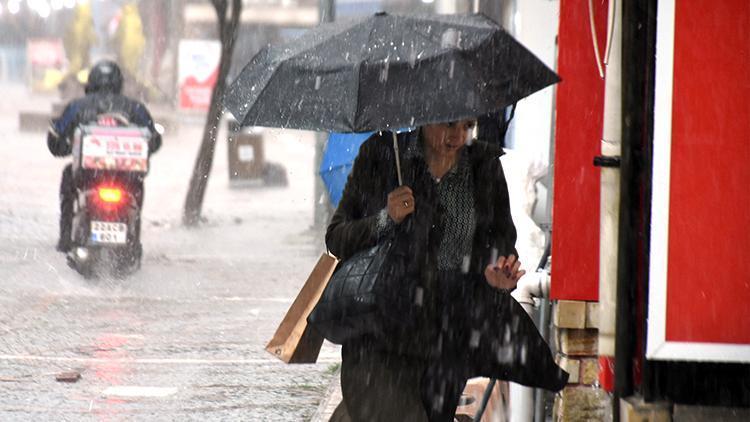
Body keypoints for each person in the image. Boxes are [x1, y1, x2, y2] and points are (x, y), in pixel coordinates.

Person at [326, 120, 566, 421]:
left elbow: (500, 241)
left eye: (468, 125)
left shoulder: (482, 166)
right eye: (449, 124)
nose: (458, 135)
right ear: (426, 116)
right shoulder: (383, 154)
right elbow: (337, 238)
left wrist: (495, 272)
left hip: (447, 335)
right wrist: (386, 218)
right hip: (382, 331)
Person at [47, 60, 161, 253]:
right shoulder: (136, 109)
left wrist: (67, 147)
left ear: (91, 83)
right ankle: (134, 241)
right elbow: (154, 141)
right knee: (138, 187)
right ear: (119, 84)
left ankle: (65, 239)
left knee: (68, 176)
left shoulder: (77, 107)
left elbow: (56, 139)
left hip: (87, 177)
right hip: (127, 179)